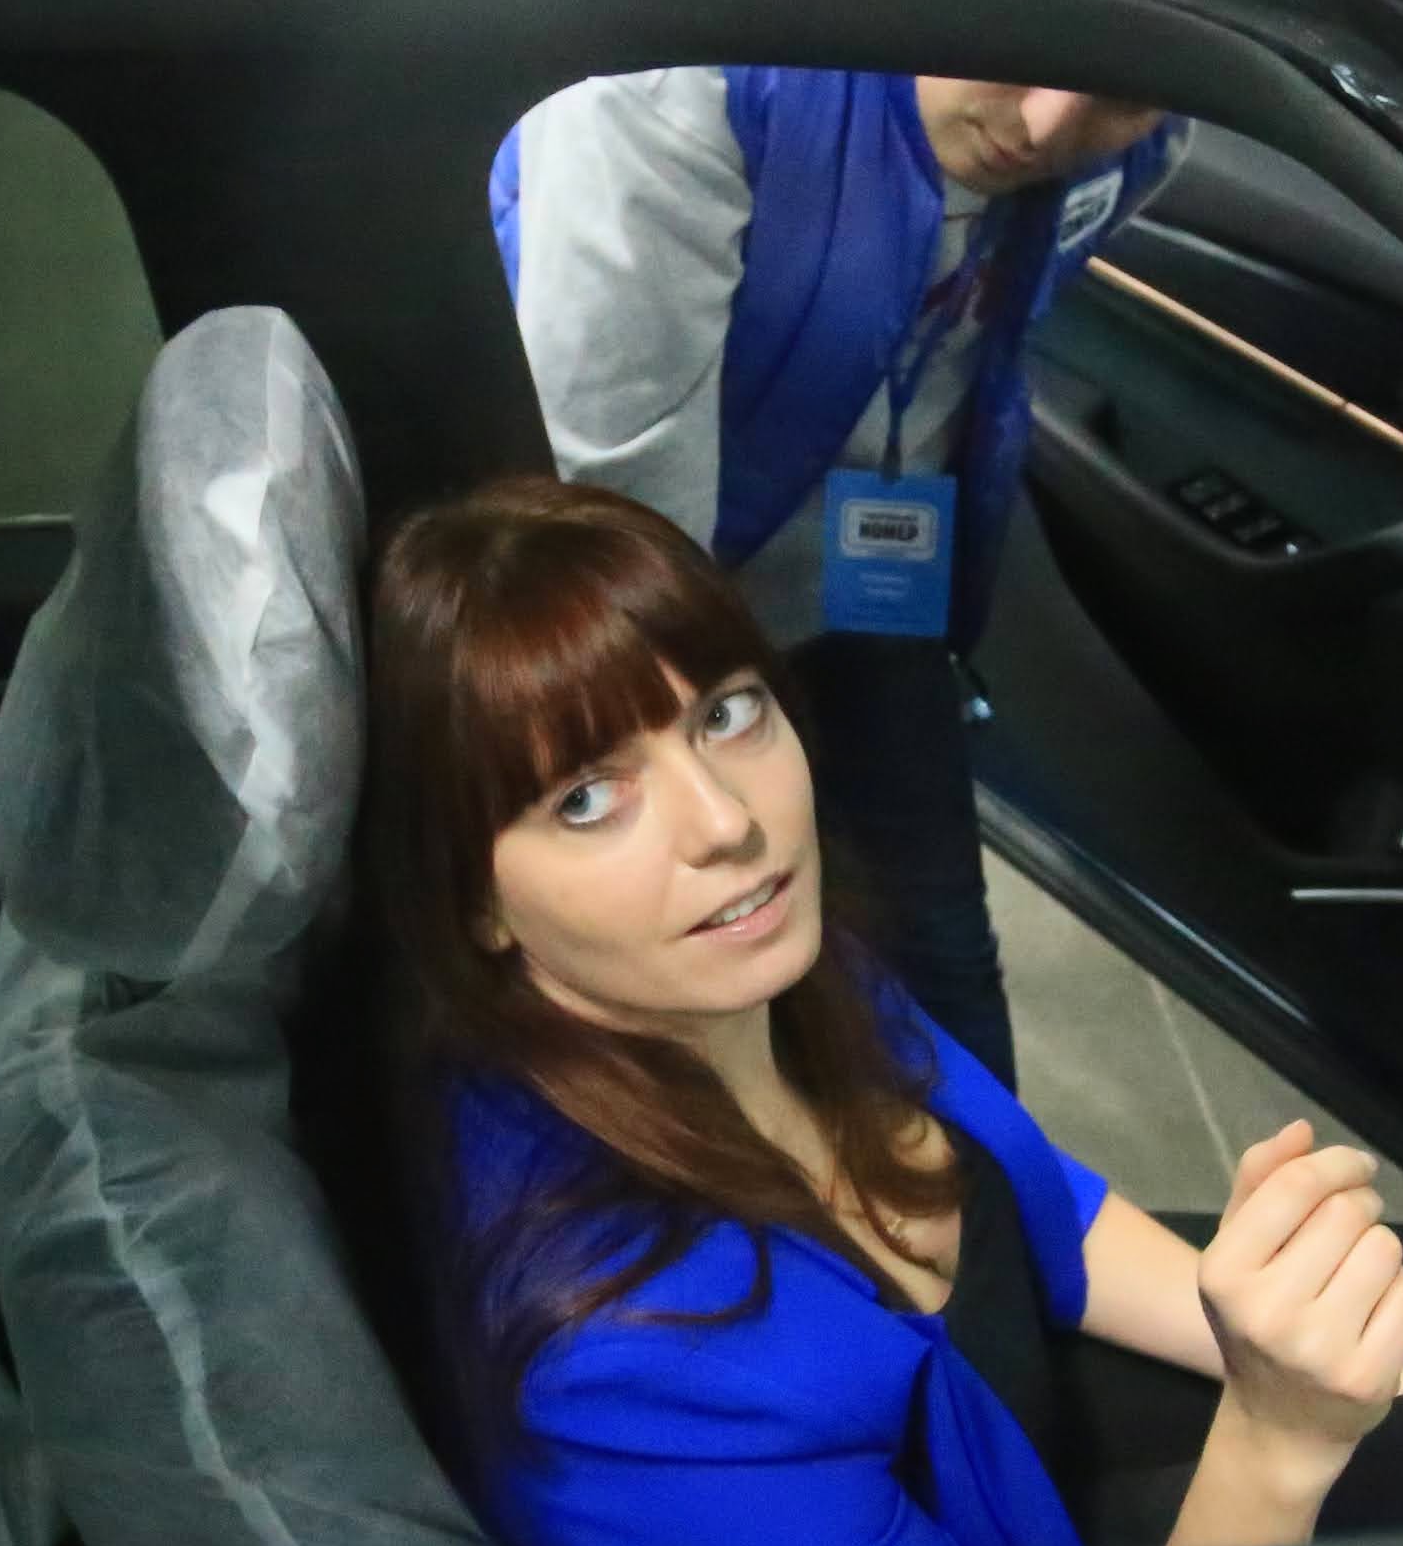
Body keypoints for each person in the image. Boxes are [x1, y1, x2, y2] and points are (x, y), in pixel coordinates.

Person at [365, 478, 1403, 1546]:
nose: (724, 822)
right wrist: (1278, 1434)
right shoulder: (628, 1370)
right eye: (587, 798)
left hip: (1003, 1417)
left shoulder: (755, 968)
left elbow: (1042, 1204)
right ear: (476, 903)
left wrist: (1390, 1382)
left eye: (727, 714)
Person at [486, 69, 1190, 1087]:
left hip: (862, 587)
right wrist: (707, 753)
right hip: (664, 603)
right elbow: (613, 518)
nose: (1044, 127)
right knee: (693, 981)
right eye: (1016, 54)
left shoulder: (1149, 139)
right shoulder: (675, 96)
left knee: (939, 953)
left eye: (1116, 95)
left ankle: (994, 1186)